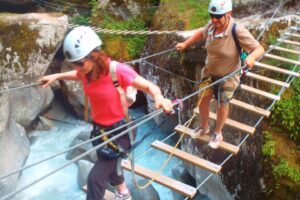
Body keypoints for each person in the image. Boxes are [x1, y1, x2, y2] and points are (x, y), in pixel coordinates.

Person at [39, 26, 173, 200]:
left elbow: (149, 86)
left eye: (80, 63)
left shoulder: (116, 70)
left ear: (94, 55)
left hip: (121, 130)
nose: (77, 67)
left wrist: (159, 98)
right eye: (75, 64)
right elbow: (77, 74)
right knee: (109, 162)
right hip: (101, 129)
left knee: (94, 179)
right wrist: (56, 76)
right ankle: (124, 193)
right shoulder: (87, 71)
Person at [175, 0, 264, 149]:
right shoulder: (212, 26)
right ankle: (204, 127)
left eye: (218, 16)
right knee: (202, 100)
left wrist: (252, 57)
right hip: (210, 72)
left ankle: (217, 132)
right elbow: (200, 33)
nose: (214, 20)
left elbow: (259, 48)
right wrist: (185, 44)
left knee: (222, 104)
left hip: (229, 75)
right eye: (212, 16)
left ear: (228, 14)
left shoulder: (237, 30)